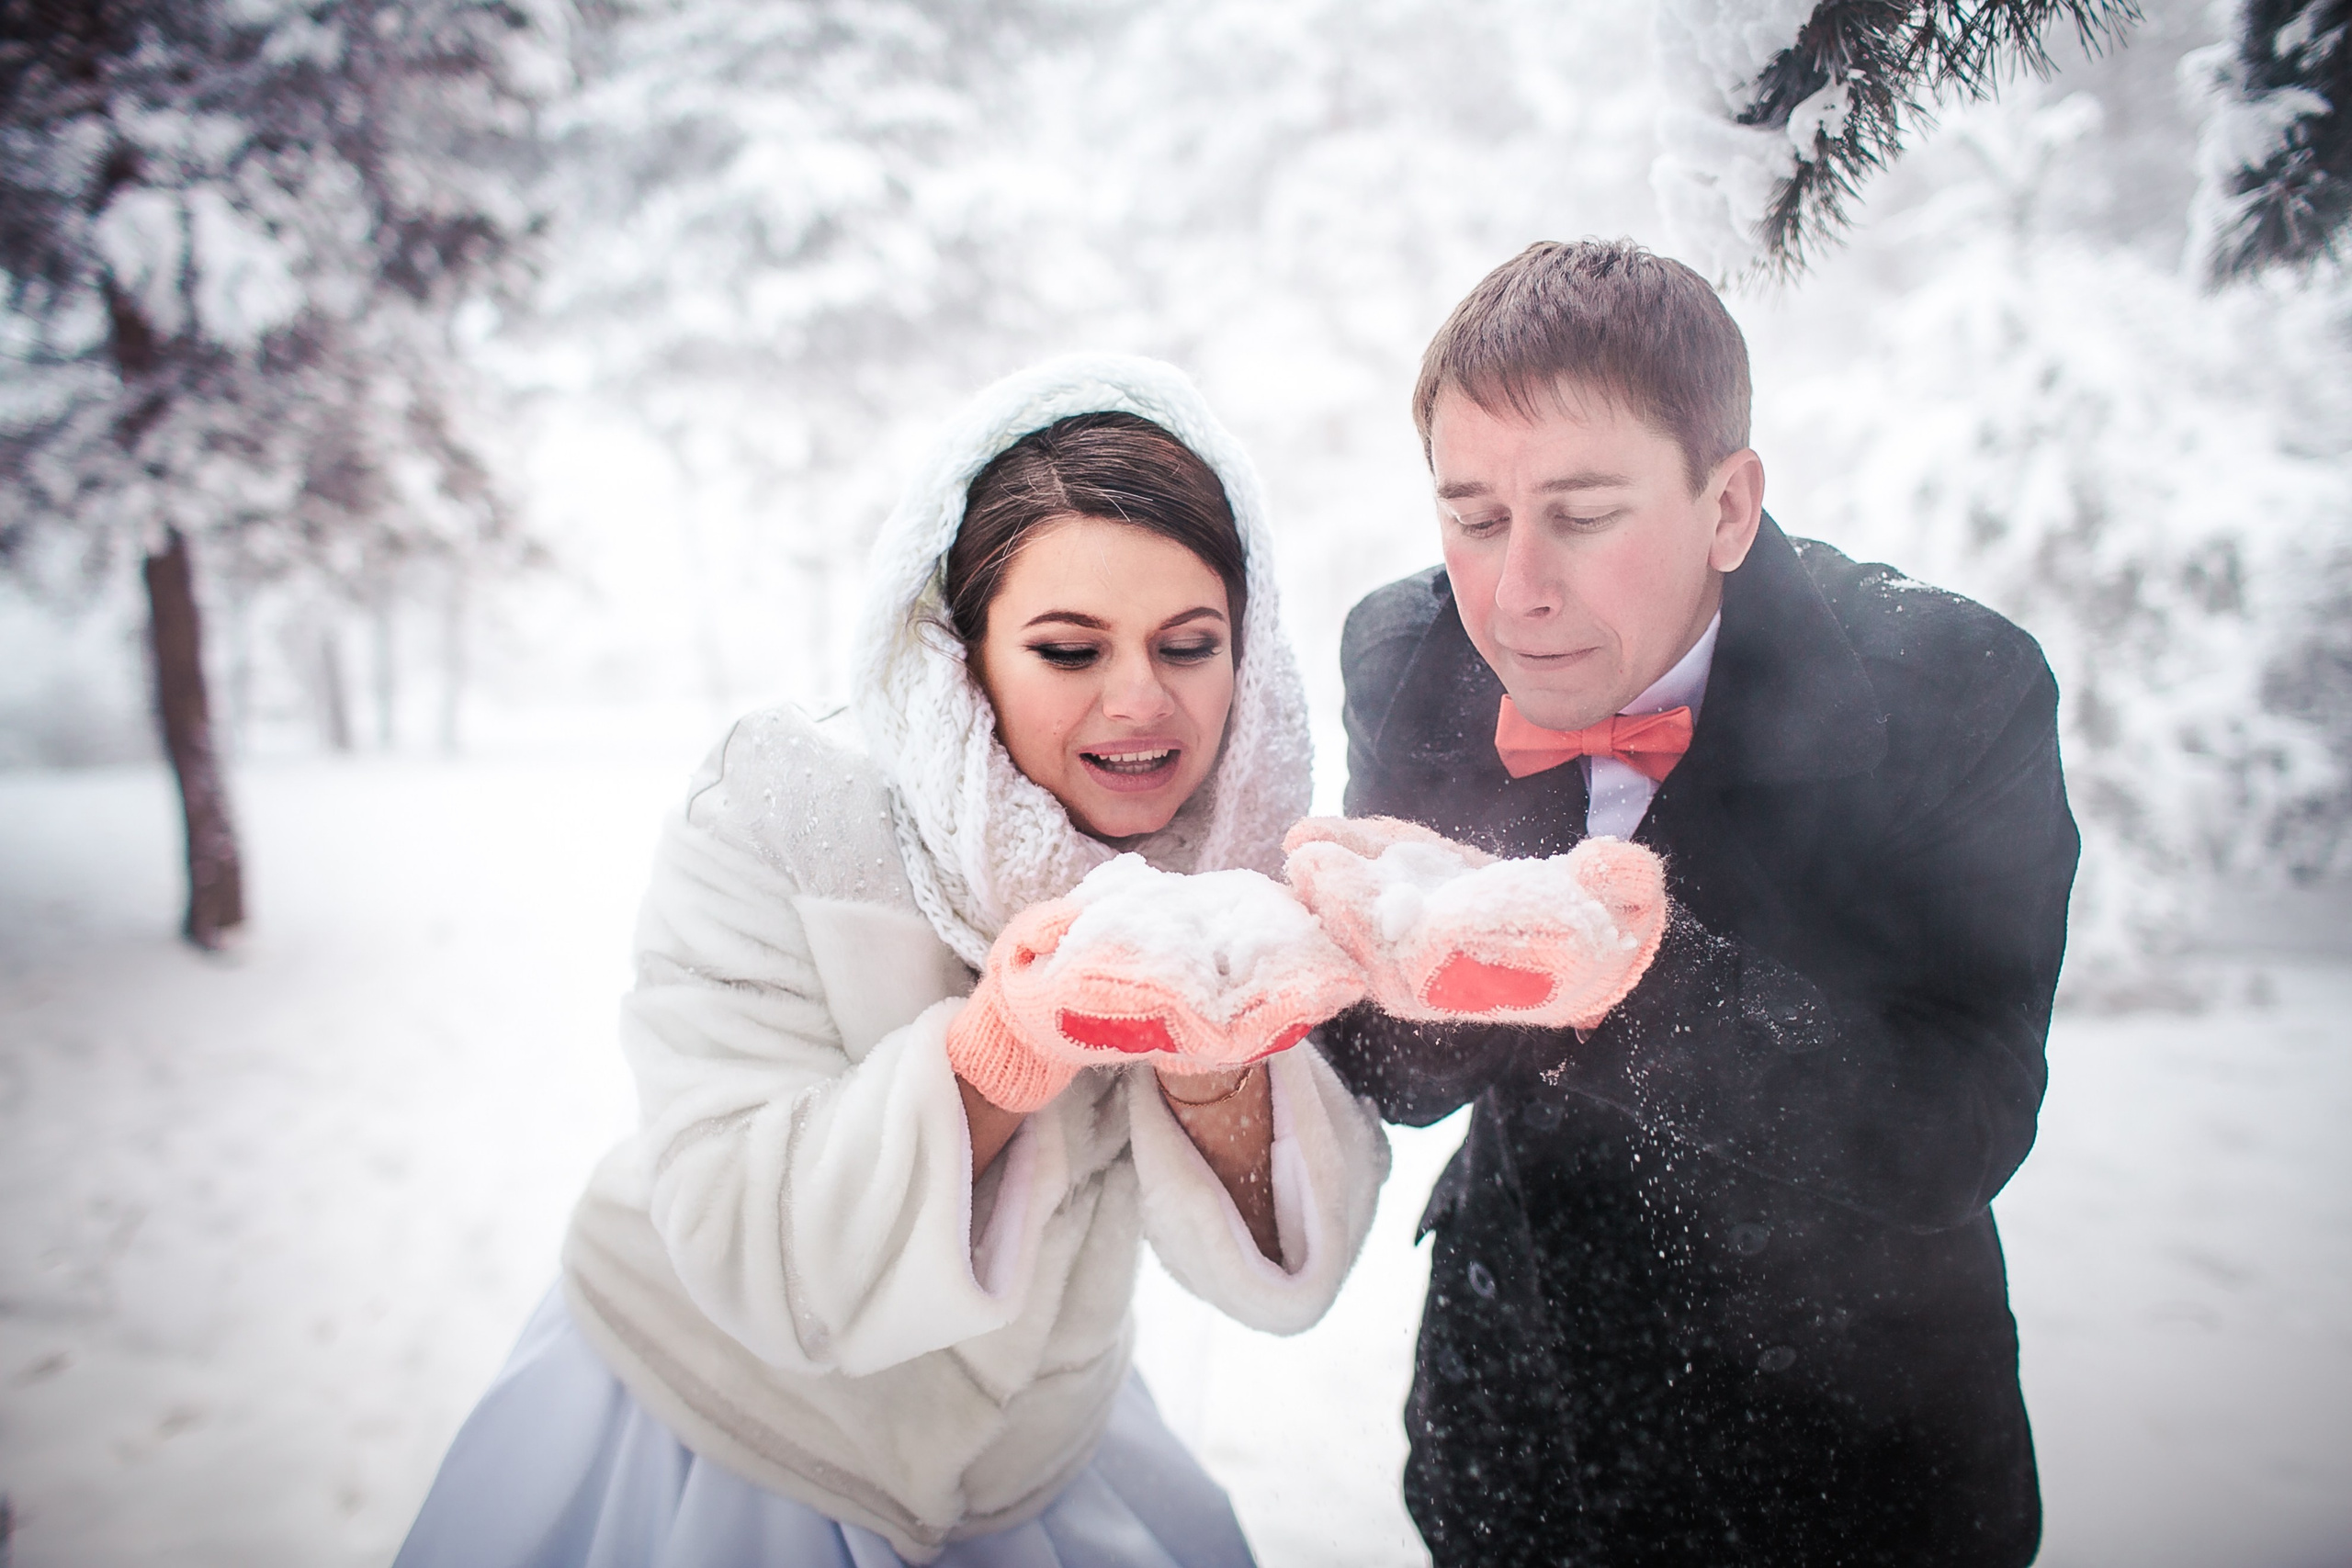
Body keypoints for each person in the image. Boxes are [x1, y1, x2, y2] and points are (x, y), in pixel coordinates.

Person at [392, 355, 1390, 1567]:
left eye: (1189, 644)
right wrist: (998, 1055)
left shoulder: (1241, 864)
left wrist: (1219, 1073)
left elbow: (1291, 1269)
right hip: (715, 1437)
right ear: (962, 654)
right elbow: (738, 1230)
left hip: (1039, 1459)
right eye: (1070, 651)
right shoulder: (783, 812)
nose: (1144, 702)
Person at [1314, 240, 2079, 1565]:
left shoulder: (1955, 688)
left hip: (1860, 1463)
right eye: (1475, 517)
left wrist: (1627, 982)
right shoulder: (1408, 655)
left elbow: (1961, 1127)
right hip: (1519, 1428)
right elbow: (1406, 1076)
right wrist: (1355, 960)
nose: (1516, 589)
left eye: (1584, 513)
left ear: (1727, 506)